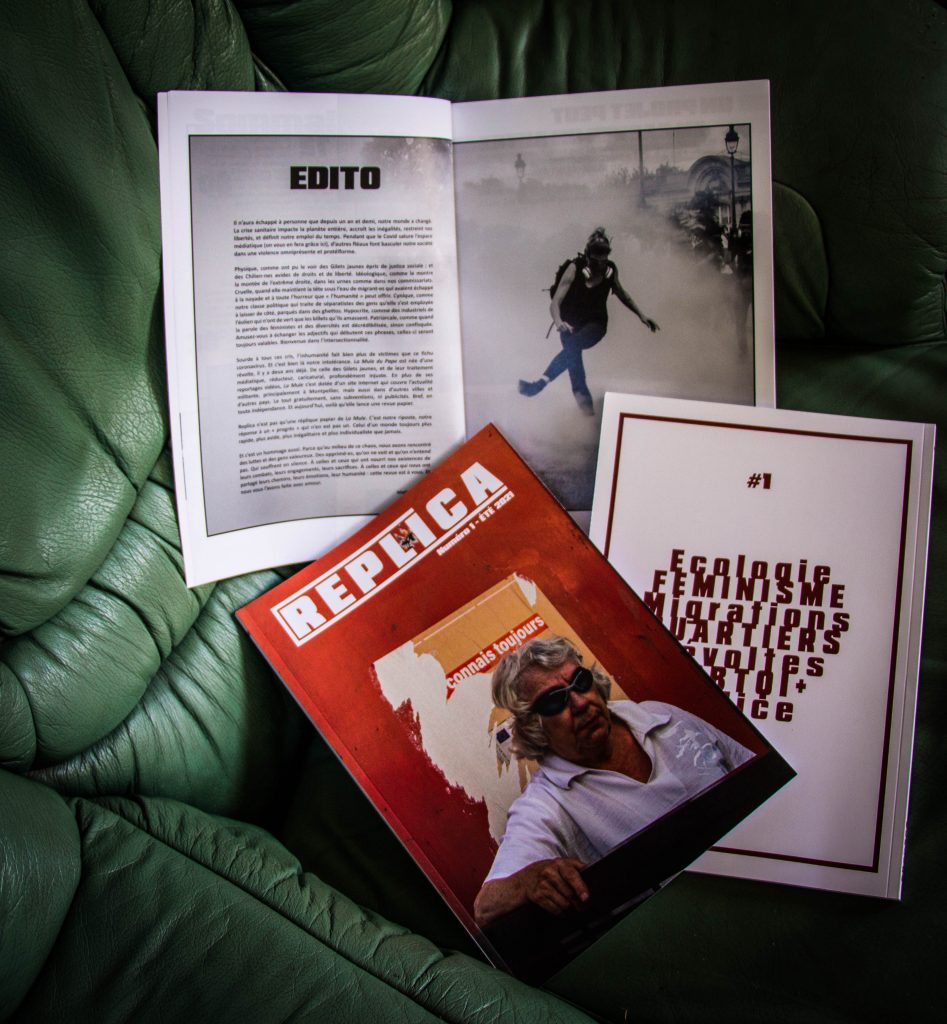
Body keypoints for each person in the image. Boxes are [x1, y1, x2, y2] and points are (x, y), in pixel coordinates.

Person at [473, 635, 753, 928]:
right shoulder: (546, 804)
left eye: (581, 681)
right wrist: (528, 880)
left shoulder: (660, 715)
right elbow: (485, 907)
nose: (580, 702)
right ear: (533, 725)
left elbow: (747, 765)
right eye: (555, 700)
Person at [518, 228, 660, 416]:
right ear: (587, 255)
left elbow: (622, 294)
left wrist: (641, 315)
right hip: (569, 325)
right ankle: (587, 416)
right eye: (596, 257)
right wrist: (559, 322)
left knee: (573, 347)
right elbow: (555, 303)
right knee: (575, 370)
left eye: (604, 255)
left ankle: (539, 385)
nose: (600, 262)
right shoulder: (574, 268)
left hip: (596, 324)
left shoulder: (610, 271)